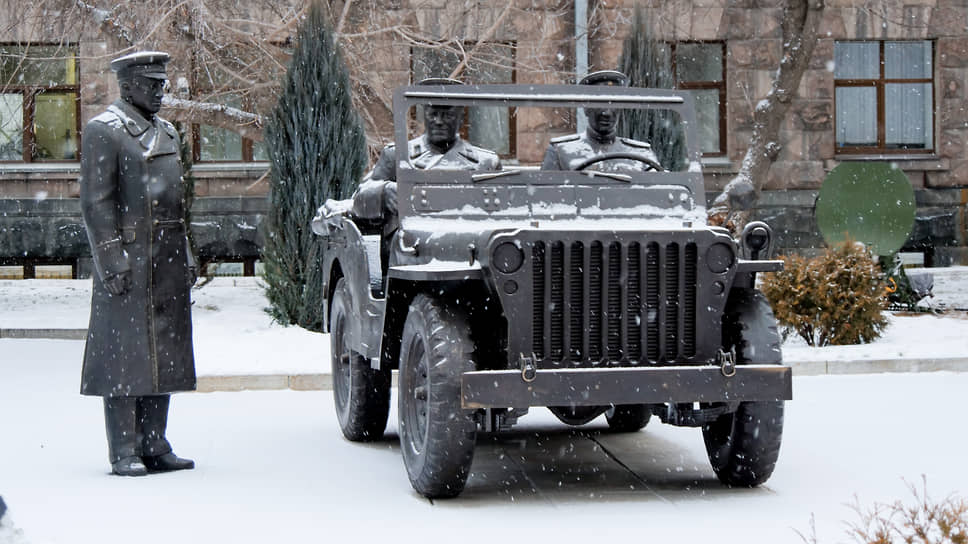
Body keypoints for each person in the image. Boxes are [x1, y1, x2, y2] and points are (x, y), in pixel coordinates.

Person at [79, 51, 197, 477]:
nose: (160, 92)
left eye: (162, 83)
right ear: (127, 85)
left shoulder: (166, 131)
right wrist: (112, 259)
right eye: (151, 84)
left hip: (164, 256)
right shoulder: (104, 131)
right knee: (124, 354)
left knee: (164, 351)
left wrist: (183, 252)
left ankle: (155, 442)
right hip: (129, 259)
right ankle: (124, 448)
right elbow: (96, 203)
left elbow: (175, 205)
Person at [347, 77, 501, 269]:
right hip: (410, 256)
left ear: (461, 117)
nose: (438, 121)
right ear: (424, 115)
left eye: (447, 115)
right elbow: (359, 200)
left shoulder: (485, 163)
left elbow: (501, 214)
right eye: (432, 113)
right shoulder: (398, 155)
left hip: (471, 256)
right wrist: (384, 192)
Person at [540, 70, 661, 172]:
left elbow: (659, 193)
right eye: (599, 103)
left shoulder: (641, 154)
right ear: (586, 109)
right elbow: (545, 196)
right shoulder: (561, 152)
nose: (607, 113)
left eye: (613, 104)